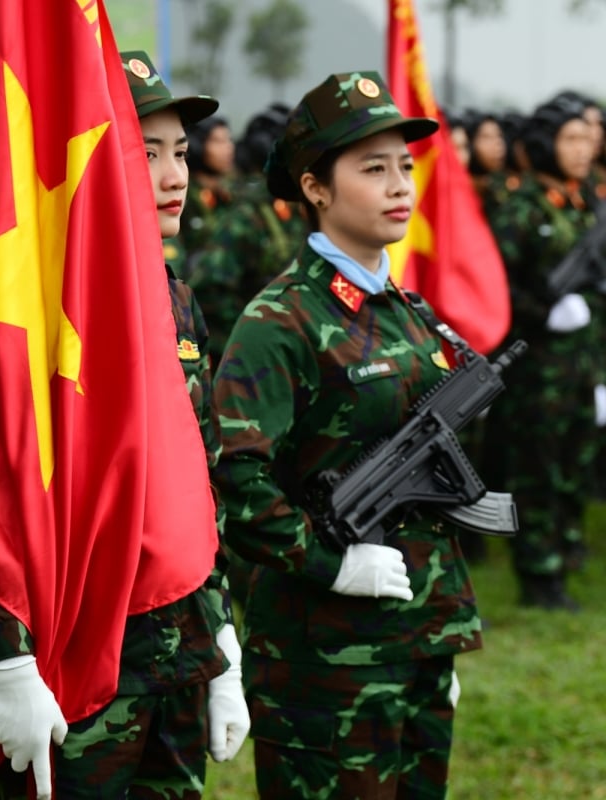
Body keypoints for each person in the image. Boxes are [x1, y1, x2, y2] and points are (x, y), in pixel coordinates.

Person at [0, 50, 248, 800]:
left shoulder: (176, 297)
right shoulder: (37, 305)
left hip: (179, 650)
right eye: (144, 152)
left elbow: (200, 481)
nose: (174, 176)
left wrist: (221, 635)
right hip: (81, 662)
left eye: (181, 153)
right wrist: (12, 662)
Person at [212, 71, 480, 798]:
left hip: (418, 639)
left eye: (404, 166)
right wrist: (330, 563)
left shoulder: (408, 311)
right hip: (324, 660)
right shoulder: (280, 323)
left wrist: (436, 643)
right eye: (372, 169)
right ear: (316, 188)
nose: (400, 186)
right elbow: (236, 479)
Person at [485, 94, 598, 609]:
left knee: (574, 460)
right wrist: (539, 312)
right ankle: (538, 573)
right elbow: (497, 285)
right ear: (544, 143)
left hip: (580, 360)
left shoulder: (584, 201)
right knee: (537, 468)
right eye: (570, 138)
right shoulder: (522, 207)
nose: (583, 148)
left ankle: (566, 548)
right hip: (538, 364)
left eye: (587, 137)